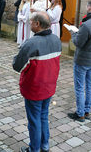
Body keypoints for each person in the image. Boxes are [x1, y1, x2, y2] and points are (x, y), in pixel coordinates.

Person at [13, 12, 61, 152]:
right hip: (49, 86)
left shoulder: (31, 43)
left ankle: (34, 148)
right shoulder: (56, 40)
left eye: (31, 22)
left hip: (34, 88)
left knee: (34, 120)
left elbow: (18, 66)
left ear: (38, 24)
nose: (30, 24)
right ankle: (44, 145)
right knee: (43, 116)